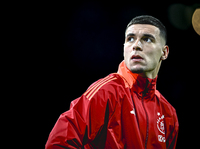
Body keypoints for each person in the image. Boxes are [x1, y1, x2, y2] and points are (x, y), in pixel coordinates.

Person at [45, 15, 179, 149]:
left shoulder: (168, 113)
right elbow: (58, 143)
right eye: (130, 39)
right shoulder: (106, 92)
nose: (136, 46)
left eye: (147, 39)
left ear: (164, 52)